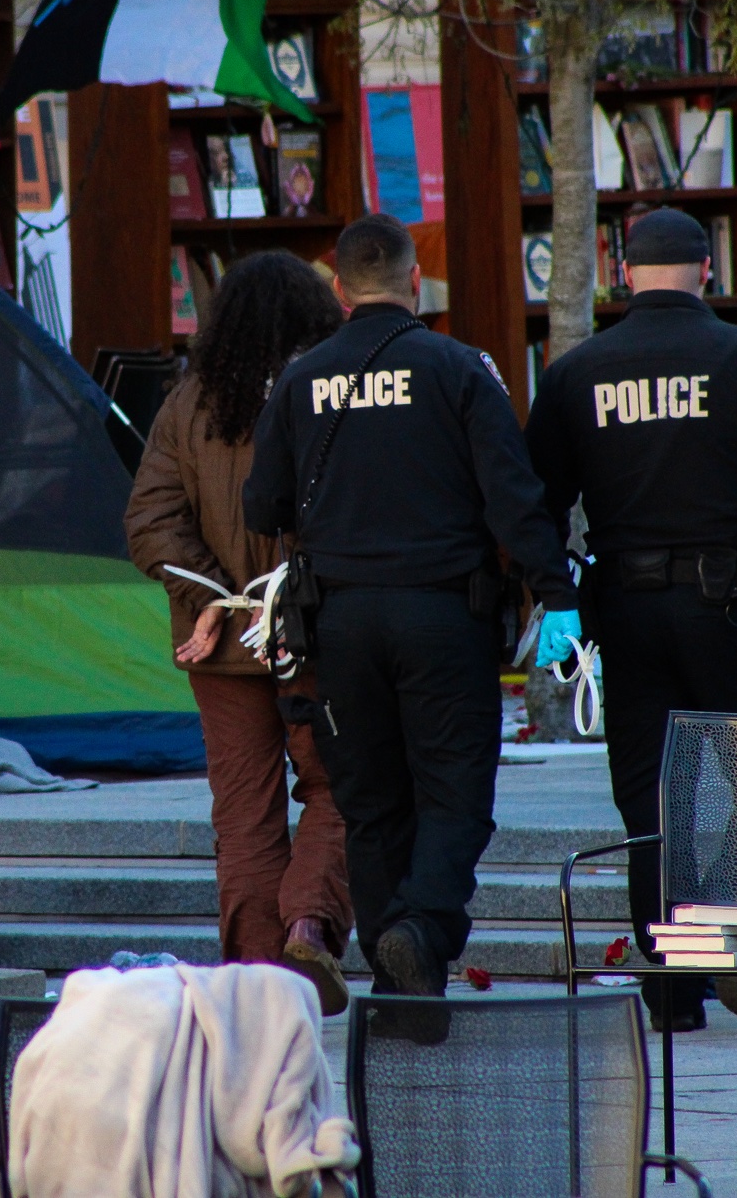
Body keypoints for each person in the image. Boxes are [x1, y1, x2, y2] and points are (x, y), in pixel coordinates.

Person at [524, 208, 737, 1029]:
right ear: (706, 271)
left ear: (622, 272)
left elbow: (531, 503)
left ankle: (672, 989)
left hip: (627, 614)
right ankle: (735, 931)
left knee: (650, 799)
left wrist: (556, 606)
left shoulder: (579, 372)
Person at [242, 214, 579, 999]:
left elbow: (264, 506)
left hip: (341, 625)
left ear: (339, 290)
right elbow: (515, 497)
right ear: (414, 284)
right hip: (443, 615)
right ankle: (421, 929)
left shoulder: (301, 378)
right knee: (455, 789)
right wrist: (557, 594)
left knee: (370, 801)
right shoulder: (459, 369)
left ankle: (400, 978)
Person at [125, 250, 353, 1013]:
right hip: (319, 630)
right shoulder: (333, 390)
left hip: (218, 646)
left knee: (244, 808)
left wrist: (219, 598)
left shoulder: (189, 400)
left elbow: (149, 520)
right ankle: (309, 925)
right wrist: (285, 592)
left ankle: (257, 986)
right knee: (337, 782)